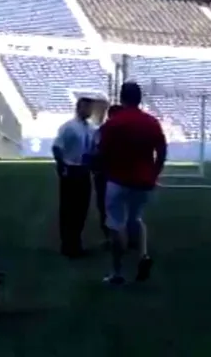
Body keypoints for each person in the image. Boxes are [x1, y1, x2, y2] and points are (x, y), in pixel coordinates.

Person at [98, 82, 167, 285]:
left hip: (118, 180)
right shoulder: (151, 122)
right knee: (136, 218)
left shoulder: (114, 123)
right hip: (143, 180)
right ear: (140, 98)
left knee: (116, 224)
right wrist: (154, 173)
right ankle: (143, 255)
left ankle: (117, 272)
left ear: (122, 98)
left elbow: (103, 151)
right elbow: (162, 151)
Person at [52, 97, 96, 258]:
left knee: (82, 209)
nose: (90, 112)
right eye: (87, 108)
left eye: (91, 109)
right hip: (71, 170)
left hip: (84, 171)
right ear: (79, 108)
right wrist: (62, 165)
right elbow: (57, 147)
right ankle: (68, 244)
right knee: (69, 209)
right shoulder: (68, 127)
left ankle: (76, 242)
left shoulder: (91, 129)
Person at [92, 104, 123, 246]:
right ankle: (117, 235)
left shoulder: (102, 131)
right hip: (115, 174)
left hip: (106, 174)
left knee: (105, 205)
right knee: (116, 205)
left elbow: (95, 151)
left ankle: (110, 236)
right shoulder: (120, 131)